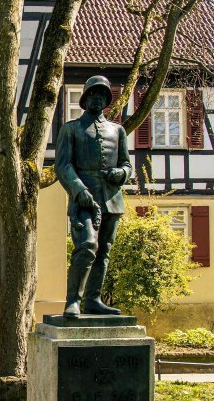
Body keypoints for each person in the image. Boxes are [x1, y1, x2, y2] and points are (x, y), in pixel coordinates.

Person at [56, 75, 132, 319]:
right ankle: (73, 301)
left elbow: (126, 164)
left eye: (102, 95)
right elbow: (63, 165)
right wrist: (78, 190)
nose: (97, 98)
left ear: (107, 100)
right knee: (87, 245)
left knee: (104, 251)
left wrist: (121, 173)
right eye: (93, 94)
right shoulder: (71, 129)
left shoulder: (118, 130)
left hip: (112, 197)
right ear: (85, 98)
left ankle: (93, 300)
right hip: (84, 198)